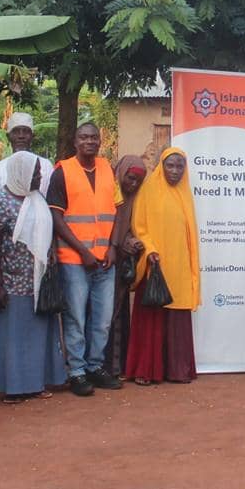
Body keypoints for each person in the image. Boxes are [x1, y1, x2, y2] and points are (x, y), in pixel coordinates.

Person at [46, 122, 123, 395]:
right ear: (75, 142)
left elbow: (117, 211)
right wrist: (82, 251)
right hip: (74, 261)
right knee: (76, 318)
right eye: (83, 137)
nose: (89, 141)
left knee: (102, 320)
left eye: (93, 137)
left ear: (100, 141)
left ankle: (95, 366)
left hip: (105, 260)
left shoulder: (107, 169)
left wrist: (113, 246)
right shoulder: (62, 172)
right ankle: (77, 372)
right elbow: (56, 218)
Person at [0, 151, 67, 401]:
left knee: (37, 334)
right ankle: (13, 388)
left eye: (39, 173)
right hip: (12, 279)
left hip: (38, 280)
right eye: (35, 173)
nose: (39, 177)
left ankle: (36, 383)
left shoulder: (37, 199)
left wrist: (51, 254)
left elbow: (47, 231)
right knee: (14, 336)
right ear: (20, 173)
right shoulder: (1, 201)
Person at [125, 147, 200, 384]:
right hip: (155, 265)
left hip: (179, 266)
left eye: (180, 166)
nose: (175, 171)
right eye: (170, 165)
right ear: (161, 166)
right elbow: (139, 225)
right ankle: (147, 370)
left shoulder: (185, 193)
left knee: (177, 317)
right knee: (152, 318)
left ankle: (177, 370)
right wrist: (150, 249)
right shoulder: (148, 190)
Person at [105, 155, 147, 377]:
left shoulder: (137, 199)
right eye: (130, 178)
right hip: (102, 261)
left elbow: (132, 228)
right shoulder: (108, 192)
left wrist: (132, 242)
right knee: (102, 313)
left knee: (119, 313)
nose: (133, 184)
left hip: (122, 265)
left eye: (138, 181)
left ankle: (117, 366)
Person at [0, 112, 53, 196]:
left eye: (26, 131)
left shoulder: (46, 165)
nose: (21, 136)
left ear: (32, 136)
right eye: (16, 132)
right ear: (8, 137)